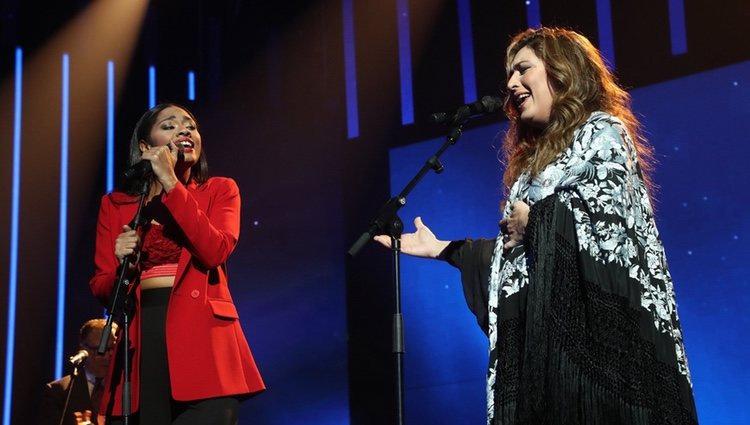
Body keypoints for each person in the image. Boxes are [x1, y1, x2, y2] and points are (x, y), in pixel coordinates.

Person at [375, 27, 698, 424]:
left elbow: (614, 234)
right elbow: (521, 264)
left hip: (600, 370)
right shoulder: (531, 167)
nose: (511, 83)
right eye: (510, 74)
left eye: (523, 69)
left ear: (562, 71)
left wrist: (539, 219)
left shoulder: (601, 133)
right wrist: (443, 249)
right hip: (543, 363)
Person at [89, 103, 265, 424]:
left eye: (190, 126)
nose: (185, 131)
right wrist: (123, 267)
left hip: (204, 345)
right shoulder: (115, 205)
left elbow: (215, 250)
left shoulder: (220, 190)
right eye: (169, 126)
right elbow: (103, 287)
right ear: (145, 147)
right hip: (141, 342)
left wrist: (171, 183)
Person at [39, 318, 116, 425]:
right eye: (100, 350)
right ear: (84, 349)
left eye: (112, 349)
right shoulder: (59, 392)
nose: (108, 356)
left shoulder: (130, 389)